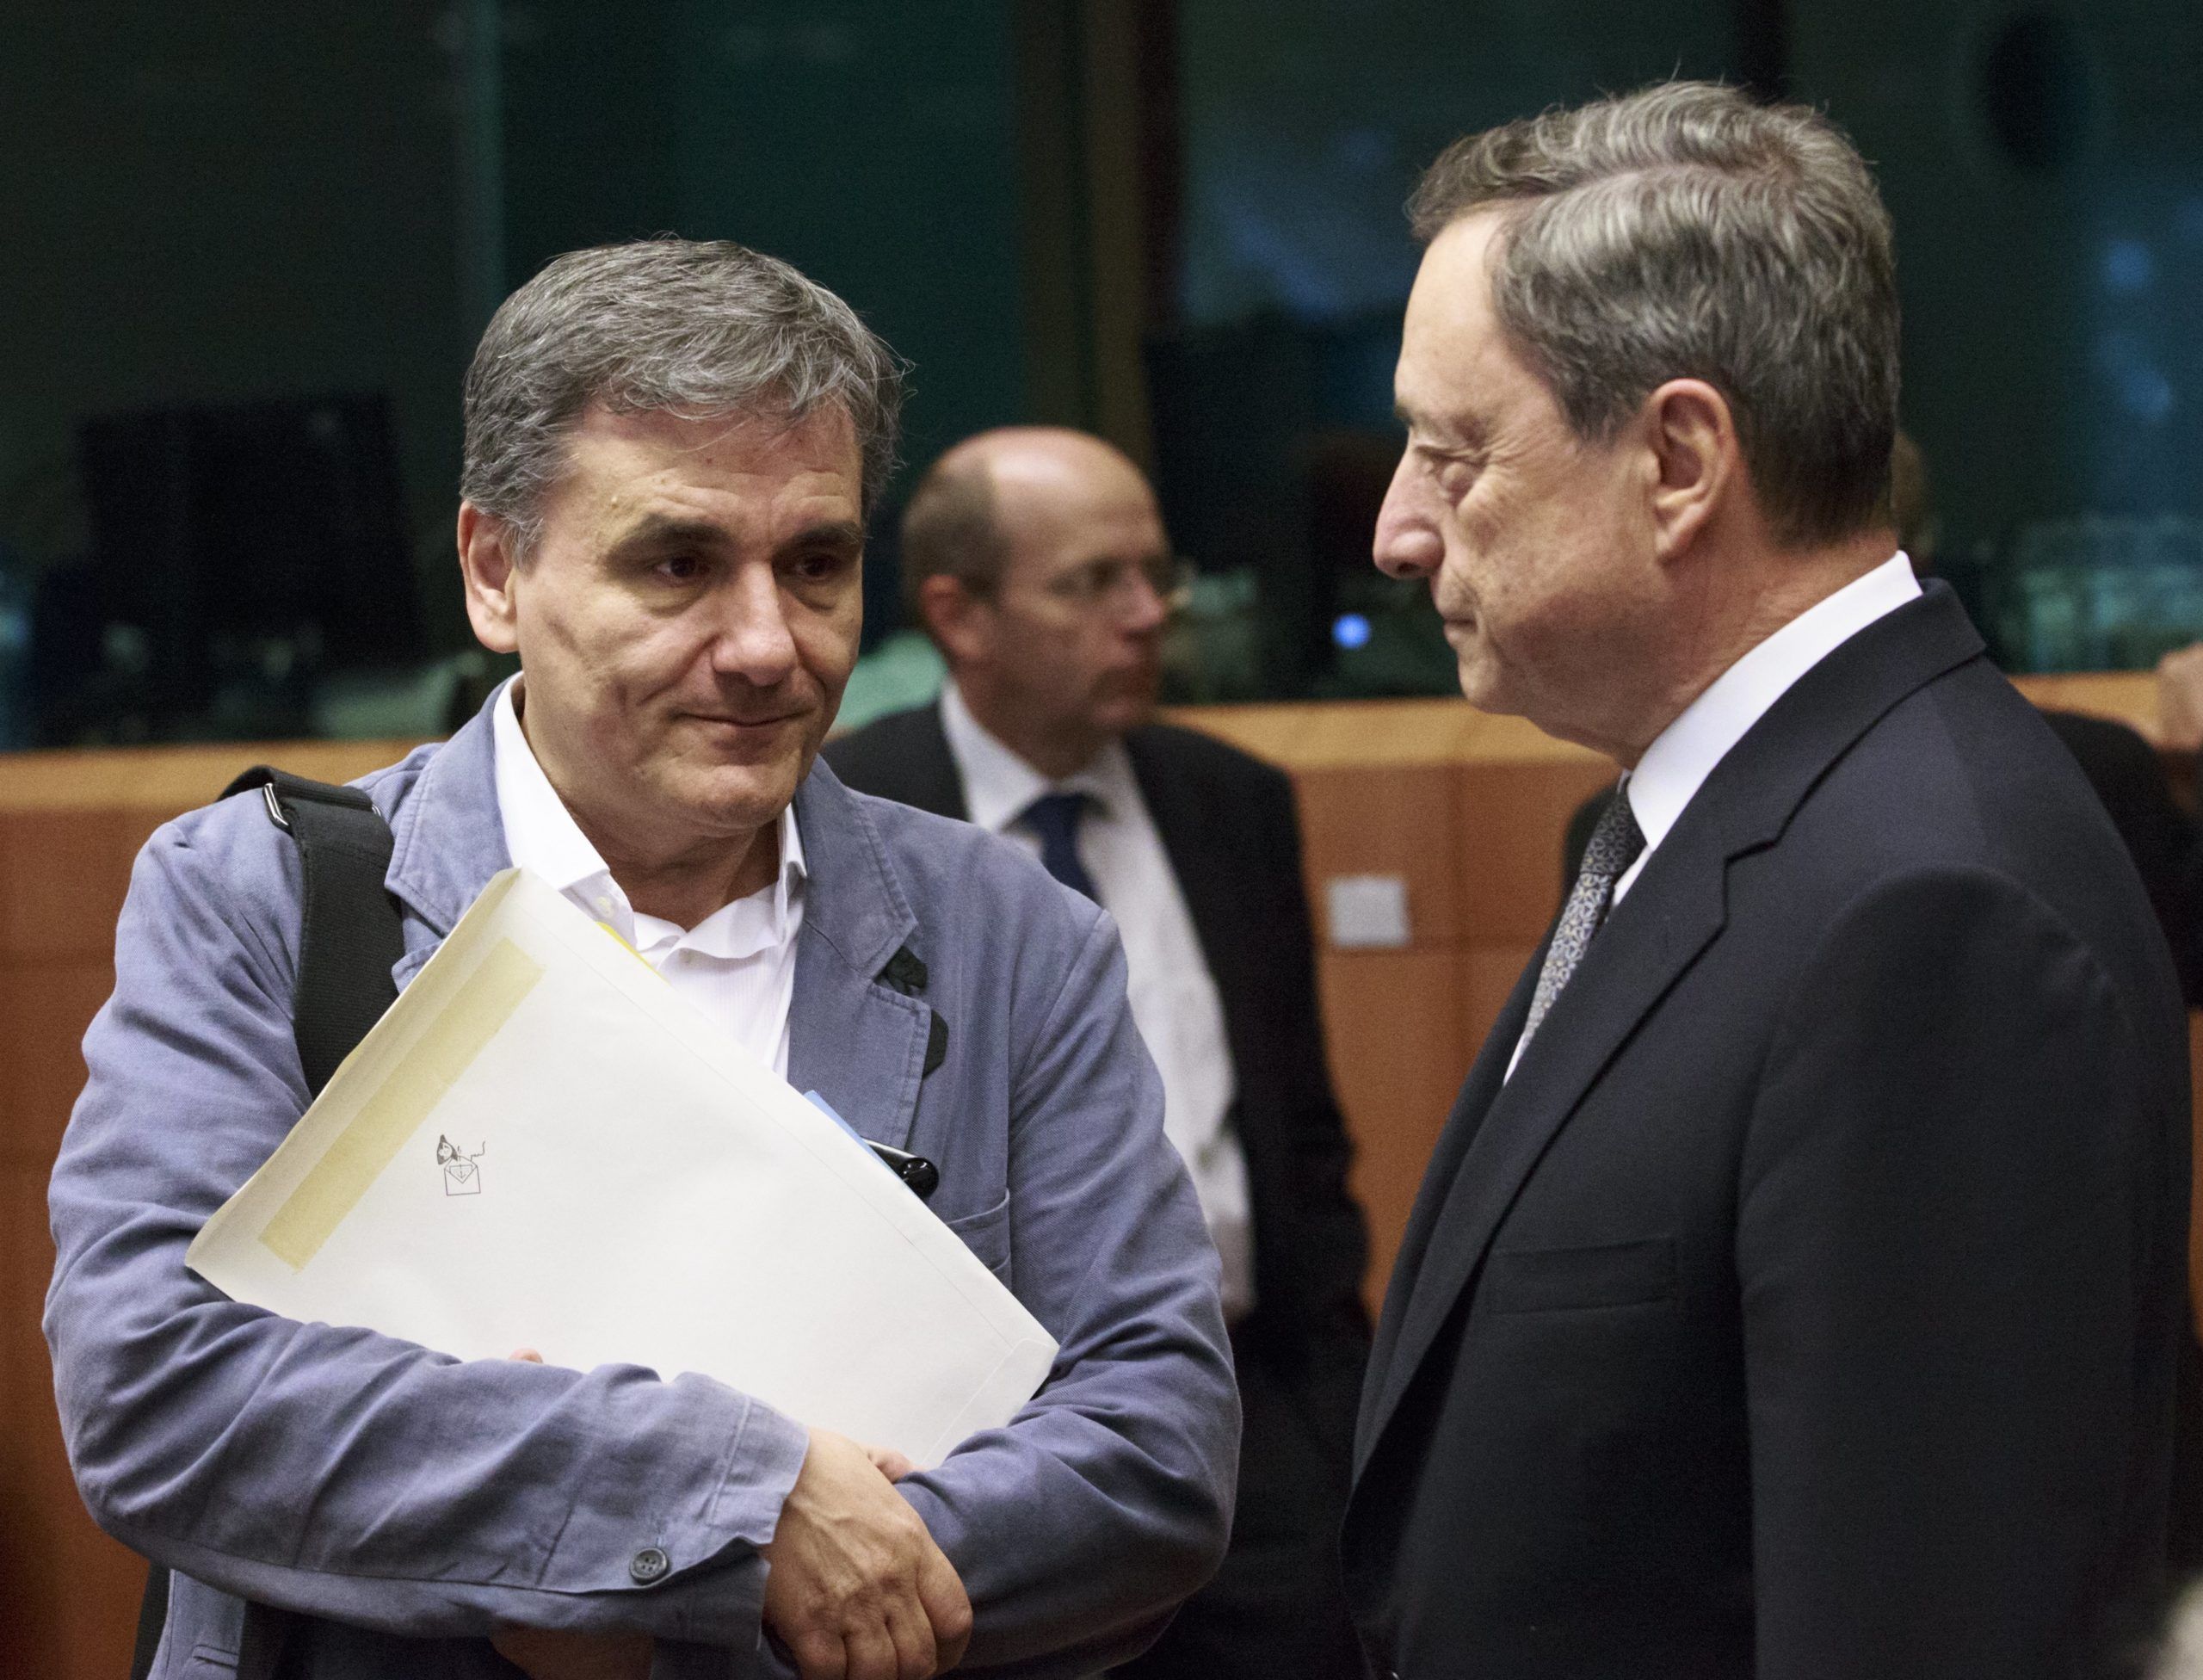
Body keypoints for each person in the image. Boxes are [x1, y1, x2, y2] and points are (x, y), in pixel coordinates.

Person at [45, 241, 1237, 1680]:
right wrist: (739, 1506)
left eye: (816, 565)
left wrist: (716, 1610)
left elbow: (1155, 1453)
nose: (766, 645)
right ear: (496, 573)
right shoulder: (263, 901)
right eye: (679, 565)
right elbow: (159, 1395)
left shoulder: (1011, 938)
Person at [1343, 82, 2189, 1680]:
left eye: (1456, 455)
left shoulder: (1929, 909)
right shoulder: (1721, 816)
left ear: (1678, 459)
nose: (1399, 530)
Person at [825, 427, 1369, 1680]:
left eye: (1155, 575)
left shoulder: (1230, 800)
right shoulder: (849, 813)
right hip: (969, 1463)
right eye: (1091, 584)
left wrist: (1330, 1403)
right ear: (959, 615)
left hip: (1257, 1431)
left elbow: (1298, 1125)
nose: (1146, 615)